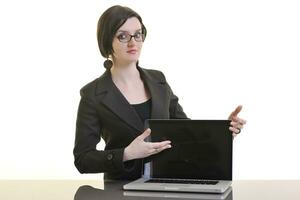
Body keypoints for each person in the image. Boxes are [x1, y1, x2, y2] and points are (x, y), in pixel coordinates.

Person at [73, 5, 246, 180]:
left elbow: (187, 133)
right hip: (120, 189)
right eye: (123, 36)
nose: (133, 42)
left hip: (166, 183)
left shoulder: (158, 81)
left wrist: (223, 132)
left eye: (138, 34)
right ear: (107, 42)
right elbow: (82, 159)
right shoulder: (92, 95)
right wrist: (126, 153)